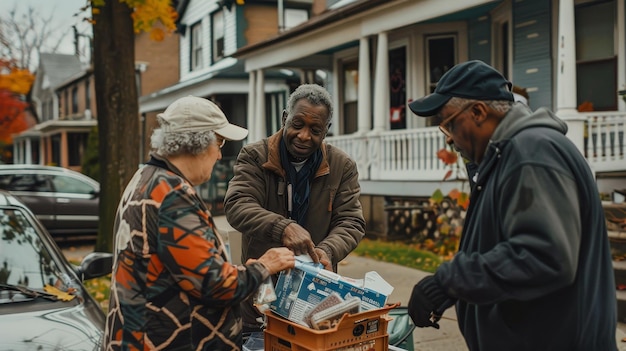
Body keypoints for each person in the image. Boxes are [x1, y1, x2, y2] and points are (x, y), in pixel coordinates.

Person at [406, 60, 617, 351]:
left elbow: (544, 255)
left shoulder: (532, 152)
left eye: (448, 124)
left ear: (478, 112)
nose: (450, 140)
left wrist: (448, 282)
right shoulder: (510, 155)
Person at [103, 96, 296, 350]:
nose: (219, 155)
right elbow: (216, 286)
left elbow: (187, 270)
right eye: (219, 143)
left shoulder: (145, 177)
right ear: (197, 143)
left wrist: (241, 272)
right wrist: (264, 266)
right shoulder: (171, 195)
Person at [223, 83, 366, 334]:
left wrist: (328, 251)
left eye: (315, 129)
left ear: (326, 130)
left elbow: (351, 222)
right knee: (259, 340)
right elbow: (238, 204)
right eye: (297, 125)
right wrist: (283, 227)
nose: (304, 136)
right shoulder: (256, 156)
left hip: (316, 290)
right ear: (284, 118)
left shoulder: (342, 165)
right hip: (261, 287)